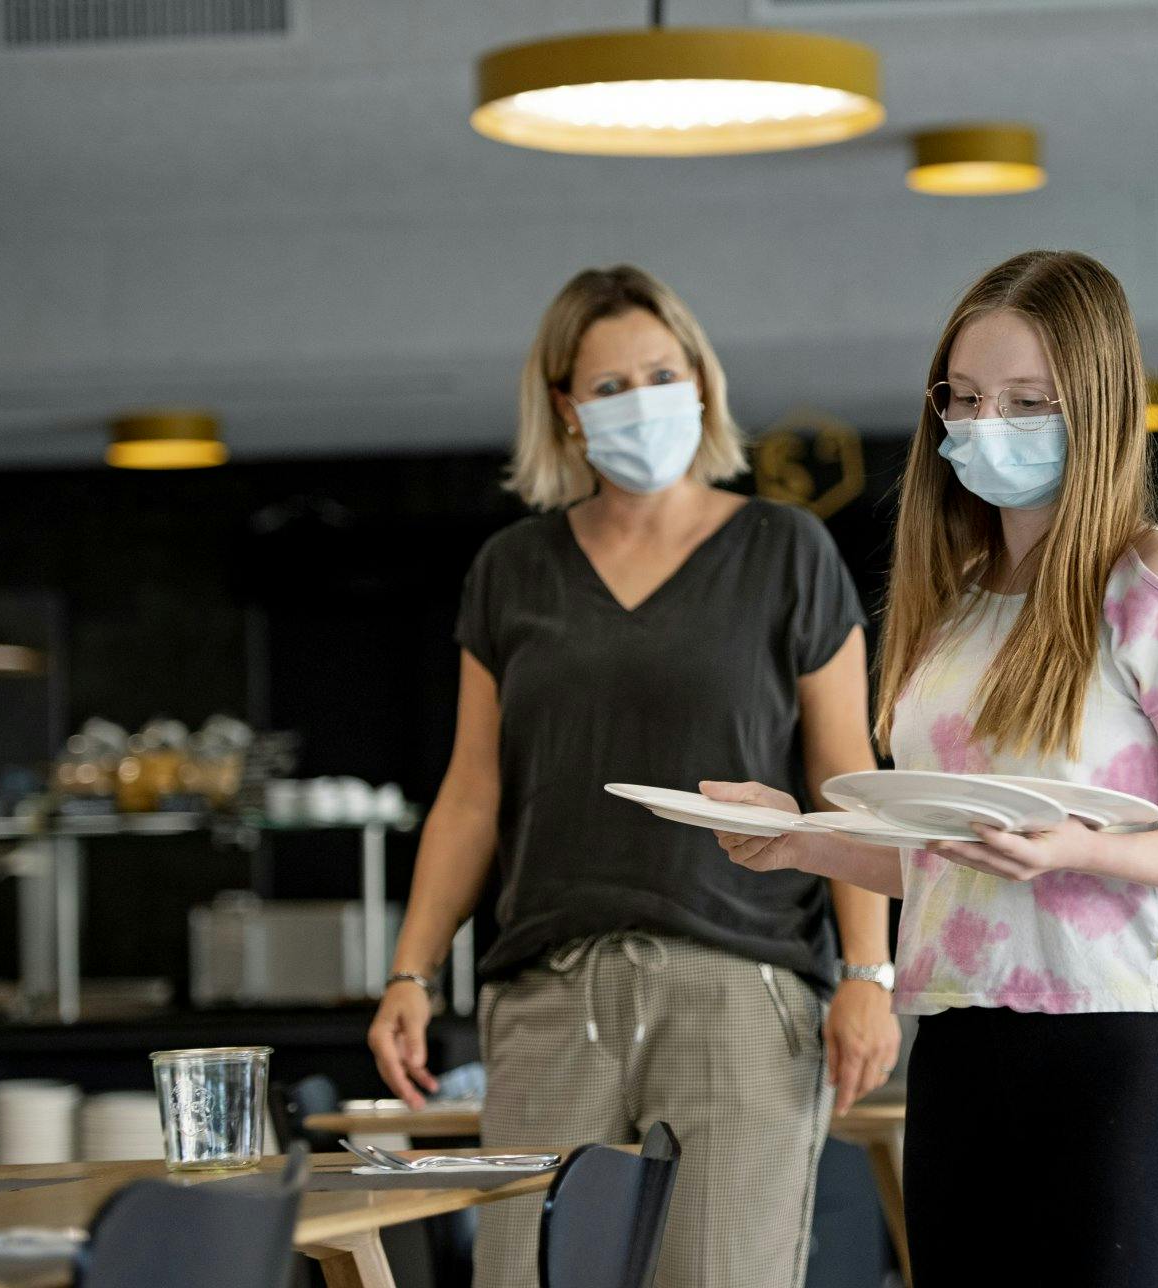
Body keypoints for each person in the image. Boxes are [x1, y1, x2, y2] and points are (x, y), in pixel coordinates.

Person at [707, 249, 1158, 1286]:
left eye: (1024, 401)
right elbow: (946, 861)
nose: (985, 426)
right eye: (963, 398)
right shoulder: (954, 600)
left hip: (1120, 1054)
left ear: (1094, 408)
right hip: (963, 1049)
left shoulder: (1152, 579)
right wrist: (797, 835)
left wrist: (1081, 850)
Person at [367, 264, 901, 1288]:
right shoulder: (513, 570)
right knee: (530, 1273)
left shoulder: (784, 549)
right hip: (550, 994)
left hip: (743, 988)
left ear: (702, 381)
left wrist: (867, 975)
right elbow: (474, 789)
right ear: (565, 410)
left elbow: (846, 772)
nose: (641, 401)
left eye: (663, 372)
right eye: (611, 386)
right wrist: (410, 969)